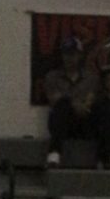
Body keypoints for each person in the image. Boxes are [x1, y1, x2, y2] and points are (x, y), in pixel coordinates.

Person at [43, 36, 106, 168]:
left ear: (80, 55)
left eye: (72, 54)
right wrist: (74, 104)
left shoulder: (91, 78)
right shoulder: (52, 77)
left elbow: (91, 98)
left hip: (85, 122)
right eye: (66, 54)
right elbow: (54, 99)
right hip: (63, 123)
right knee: (63, 104)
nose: (69, 58)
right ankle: (54, 153)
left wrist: (82, 107)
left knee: (102, 108)